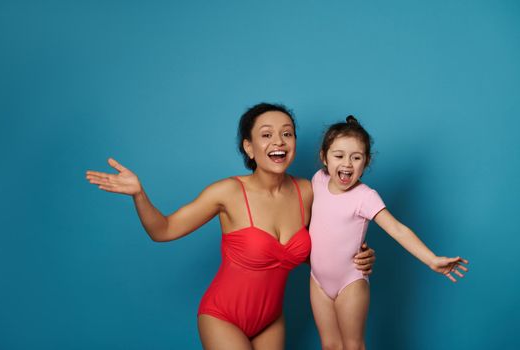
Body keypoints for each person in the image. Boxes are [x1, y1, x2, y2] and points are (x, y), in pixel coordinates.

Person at [85, 103, 376, 350]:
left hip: (271, 320)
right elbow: (163, 230)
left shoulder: (309, 190)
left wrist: (359, 255)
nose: (279, 142)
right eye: (267, 135)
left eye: (287, 133)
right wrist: (139, 194)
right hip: (222, 317)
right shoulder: (227, 192)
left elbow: (329, 241)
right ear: (249, 148)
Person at [309, 116, 470, 350]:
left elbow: (397, 229)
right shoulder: (318, 180)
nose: (347, 163)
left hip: (349, 283)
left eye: (356, 157)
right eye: (339, 155)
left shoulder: (365, 196)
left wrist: (432, 260)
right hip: (317, 281)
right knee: (330, 345)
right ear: (324, 157)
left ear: (367, 162)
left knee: (353, 345)